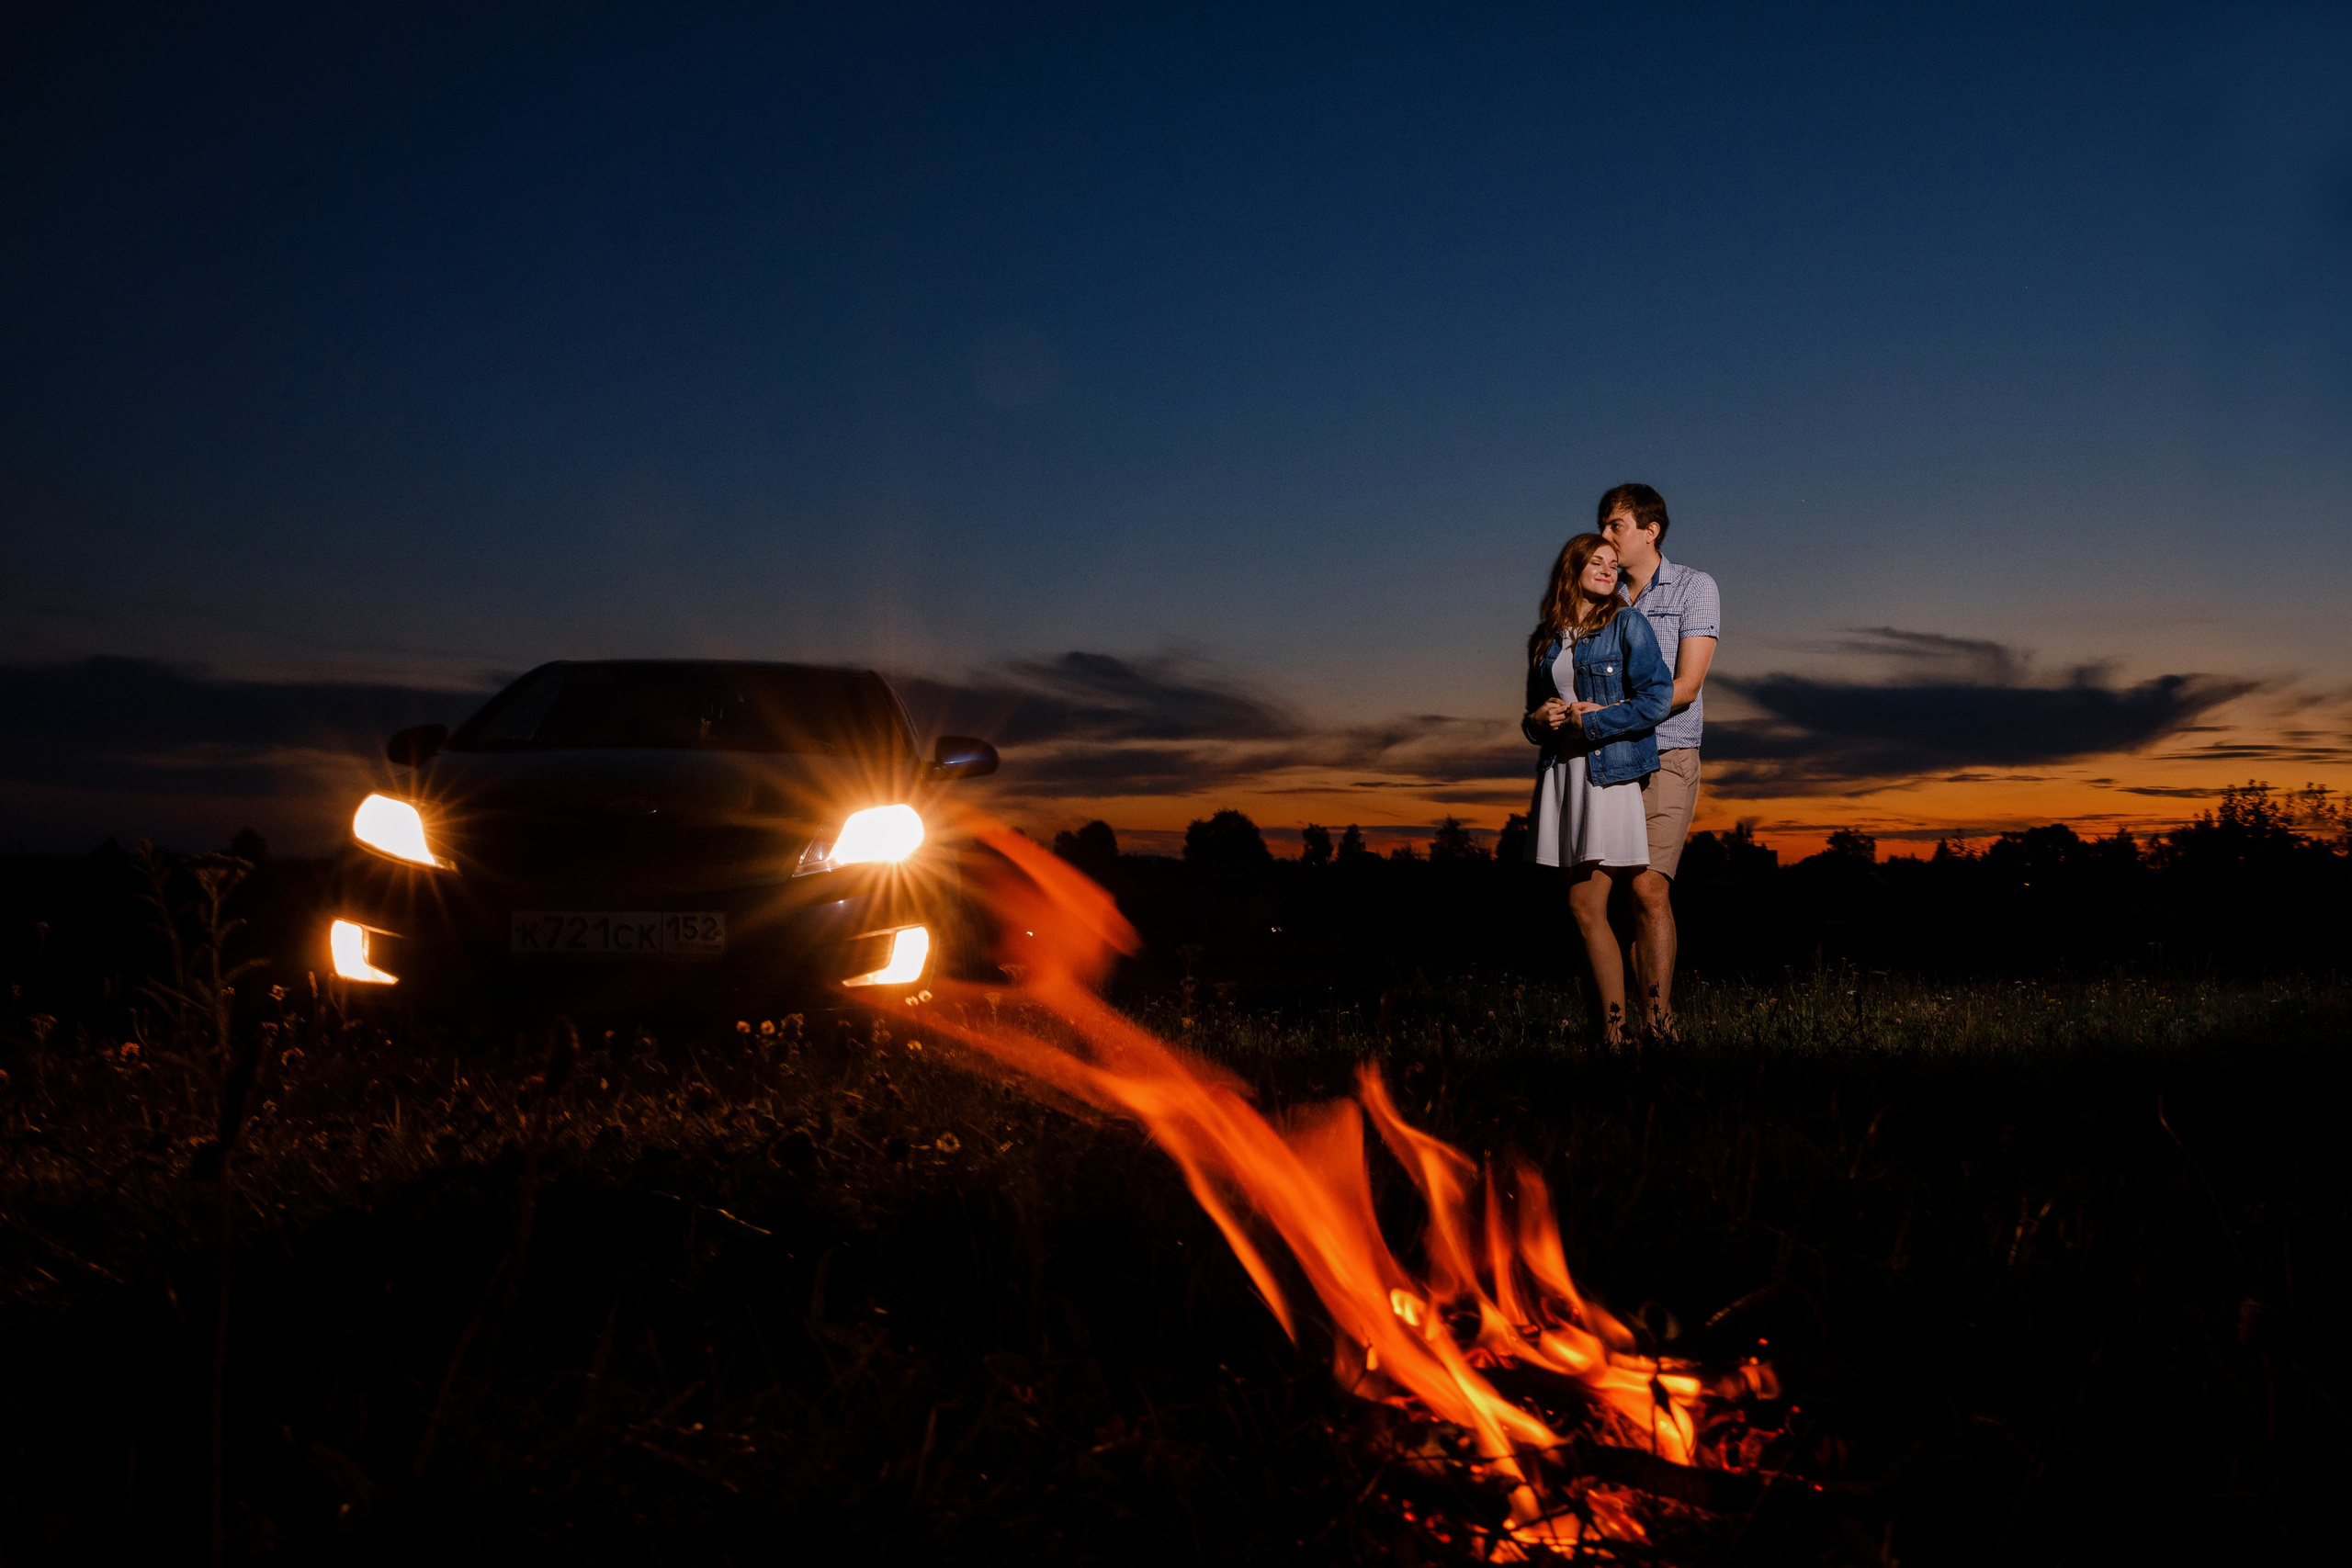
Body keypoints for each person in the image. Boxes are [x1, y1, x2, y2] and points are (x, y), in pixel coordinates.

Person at [1521, 532, 1675, 1043]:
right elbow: (1531, 718)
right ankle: (1611, 1032)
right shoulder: (1545, 638)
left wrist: (1598, 720)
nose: (1609, 569)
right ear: (1574, 567)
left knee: (1586, 907)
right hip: (1561, 775)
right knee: (1582, 910)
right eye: (1598, 561)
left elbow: (1658, 699)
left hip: (1605, 773)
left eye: (1614, 564)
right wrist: (1538, 719)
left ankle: (1616, 1037)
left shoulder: (1627, 623)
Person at [1598, 483, 1720, 1035]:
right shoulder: (1603, 595)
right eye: (1603, 524)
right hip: (1611, 757)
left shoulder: (1695, 587)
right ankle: (1622, 1025)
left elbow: (1687, 686)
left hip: (1669, 749)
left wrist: (1604, 715)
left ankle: (1661, 1024)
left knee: (1650, 888)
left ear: (1651, 530)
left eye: (1616, 525)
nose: (1605, 536)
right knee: (1617, 893)